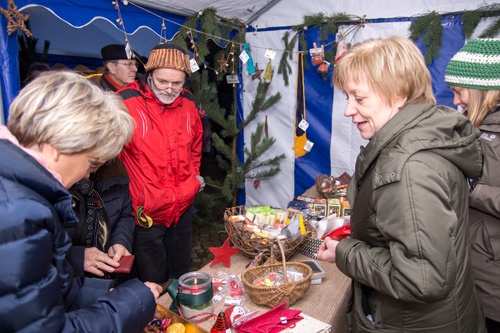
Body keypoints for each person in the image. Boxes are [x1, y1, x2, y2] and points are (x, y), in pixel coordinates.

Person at [317, 36, 486, 332]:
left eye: (359, 98)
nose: (348, 111)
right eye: (347, 98)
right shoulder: (420, 138)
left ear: (397, 94)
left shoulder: (408, 168)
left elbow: (420, 278)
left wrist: (345, 252)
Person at [0, 70, 162, 332]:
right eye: (91, 163)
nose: (87, 174)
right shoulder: (20, 213)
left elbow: (40, 301)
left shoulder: (19, 195)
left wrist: (102, 293)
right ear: (57, 146)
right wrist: (133, 301)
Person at [117, 42, 204, 283]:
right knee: (151, 281)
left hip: (183, 205)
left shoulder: (188, 103)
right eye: (162, 81)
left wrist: (193, 181)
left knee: (180, 274)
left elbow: (195, 147)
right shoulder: (125, 102)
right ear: (149, 75)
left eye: (177, 83)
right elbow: (111, 155)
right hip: (145, 211)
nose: (169, 89)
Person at [445, 38, 500, 333]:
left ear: (482, 89)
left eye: (458, 91)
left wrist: (472, 190)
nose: (455, 101)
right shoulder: (477, 127)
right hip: (475, 270)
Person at [65, 158, 135, 280]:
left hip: (105, 279)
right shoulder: (58, 180)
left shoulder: (116, 172)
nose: (100, 158)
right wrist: (77, 257)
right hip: (68, 281)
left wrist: (119, 241)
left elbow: (125, 215)